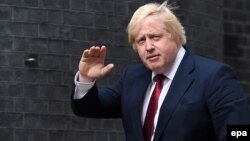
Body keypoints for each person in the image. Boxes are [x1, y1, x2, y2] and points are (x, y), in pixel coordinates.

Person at [71, 2, 250, 141]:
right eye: (141, 41)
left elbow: (239, 133)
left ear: (176, 37)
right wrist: (86, 78)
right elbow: (90, 108)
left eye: (155, 37)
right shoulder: (133, 78)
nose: (149, 46)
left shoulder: (214, 76)